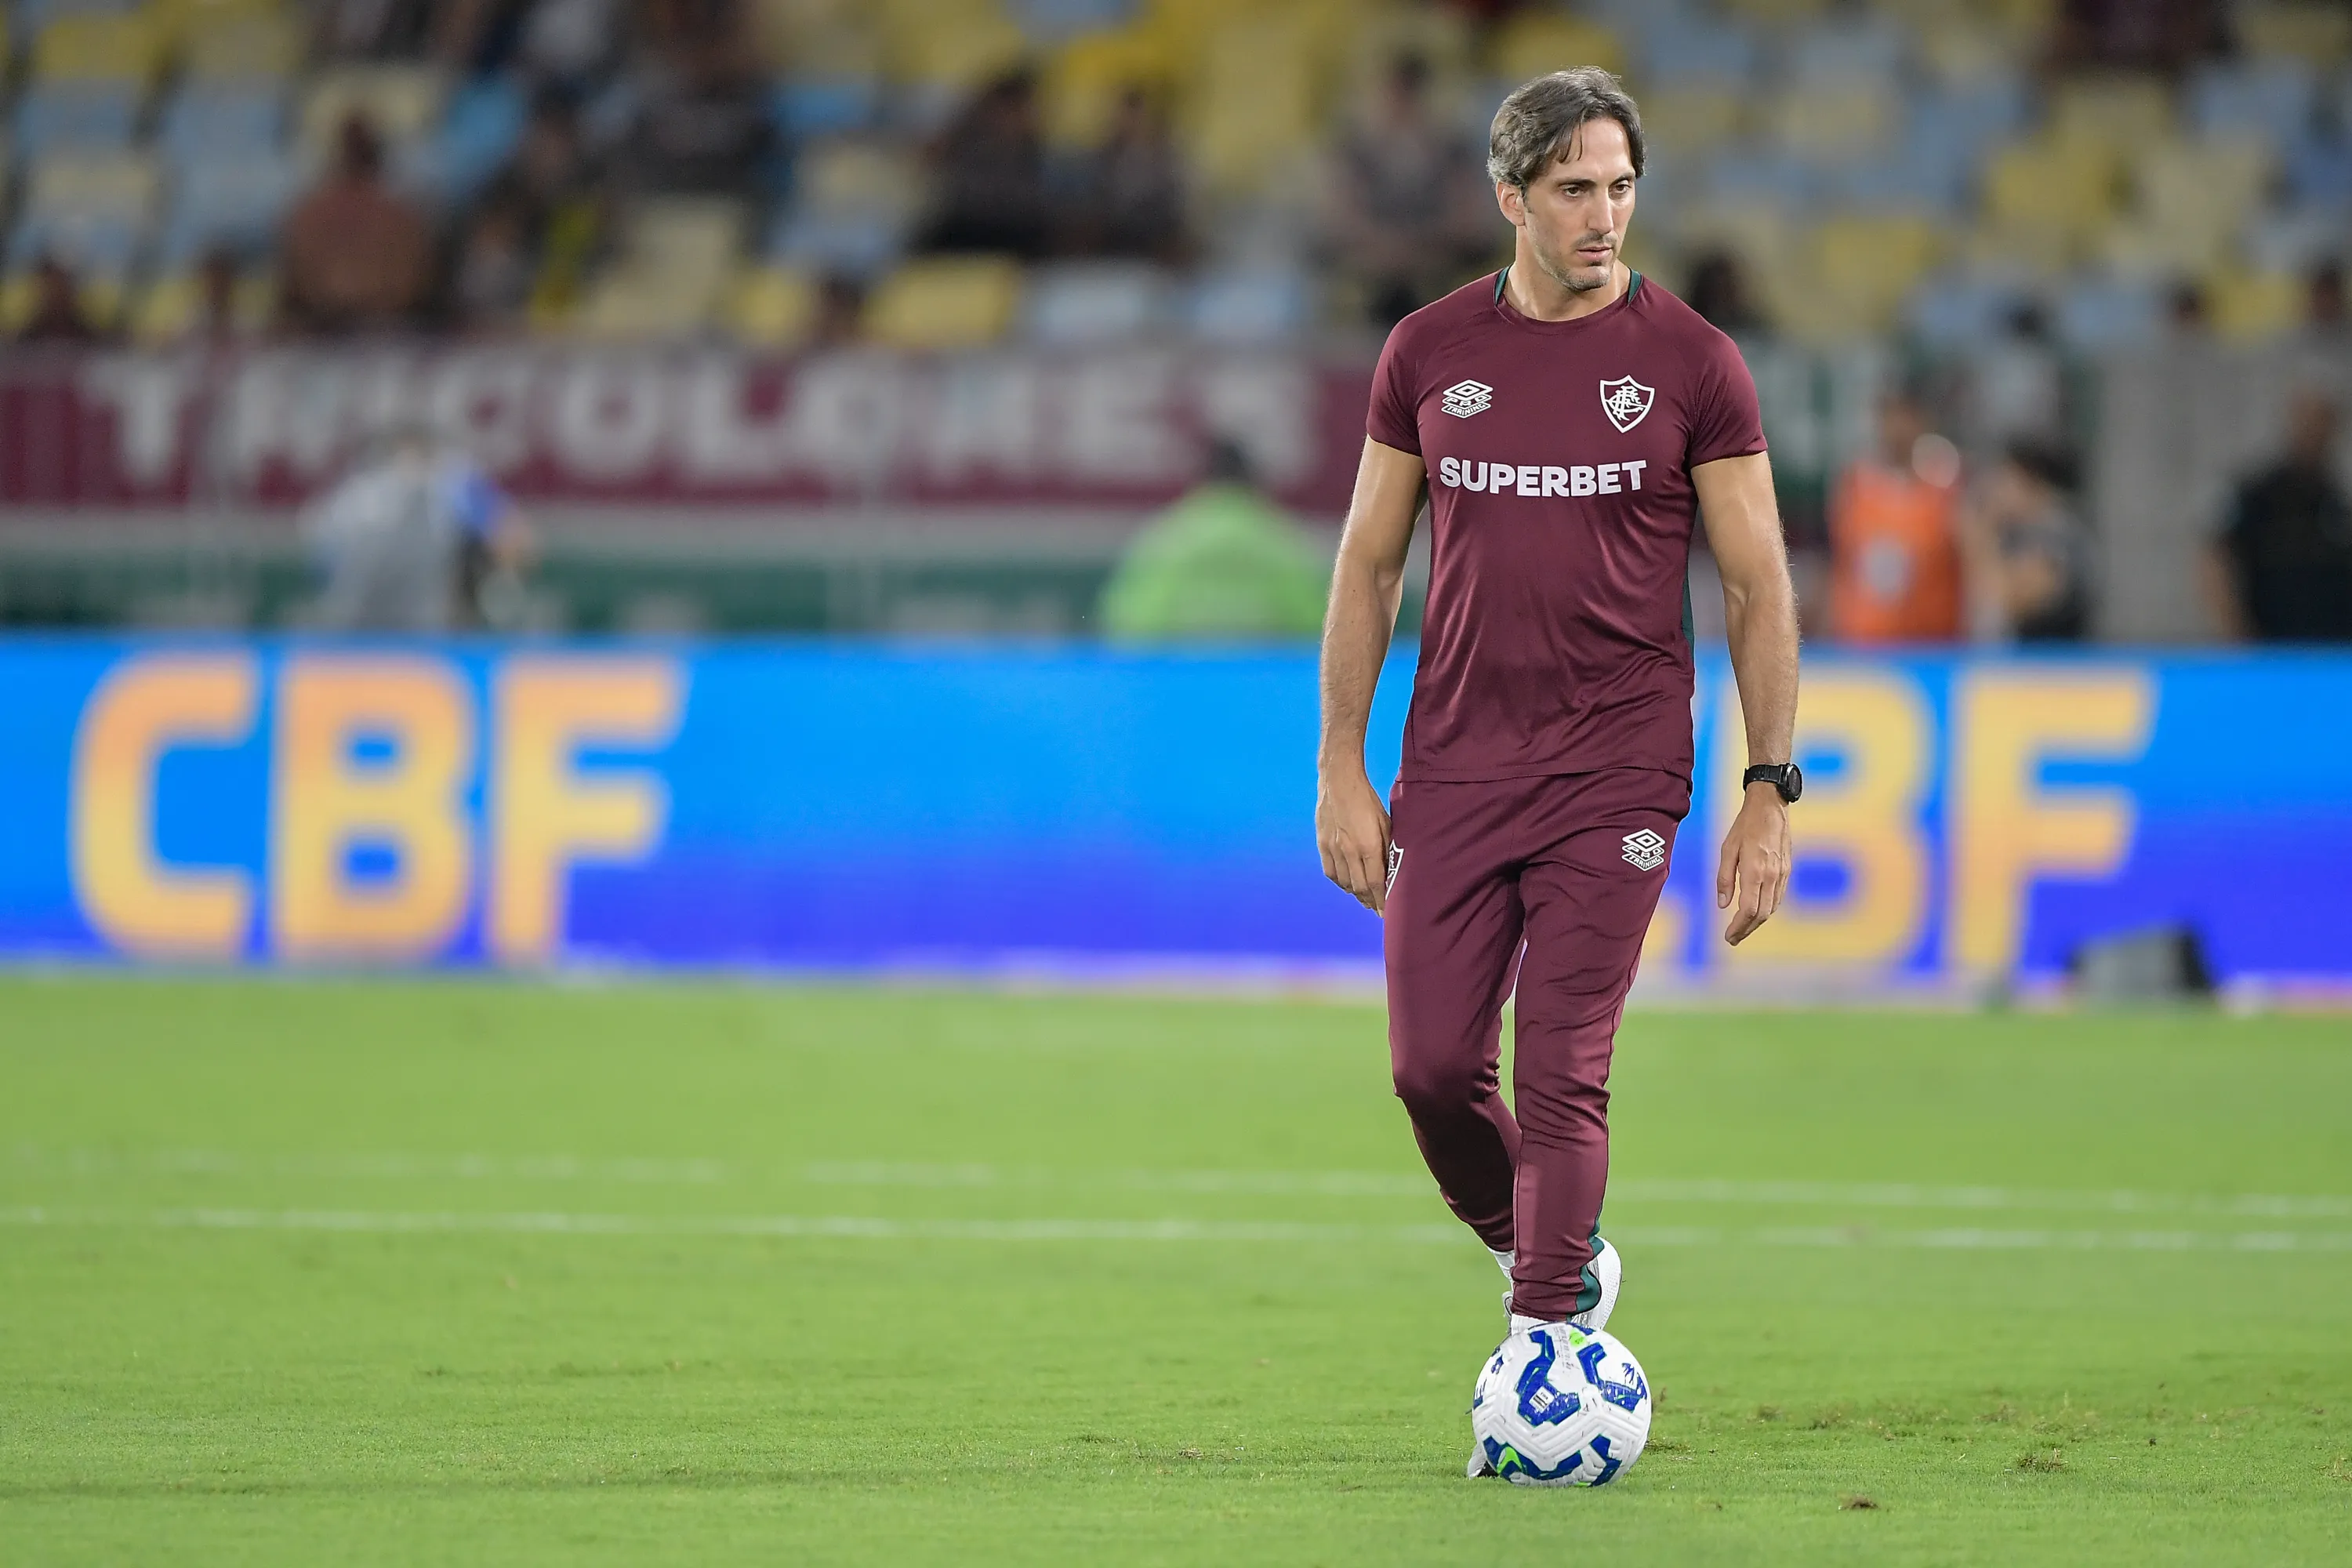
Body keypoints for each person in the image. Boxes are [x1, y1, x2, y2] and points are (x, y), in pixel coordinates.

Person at [1314, 67, 1798, 1452]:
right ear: (1512, 195)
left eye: (1623, 188)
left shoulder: (1695, 363)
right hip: (1456, 768)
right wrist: (1342, 768)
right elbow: (1367, 561)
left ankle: (1545, 1355)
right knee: (1430, 1070)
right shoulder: (1426, 352)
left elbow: (1761, 586)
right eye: (1576, 189)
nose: (1604, 216)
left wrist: (1769, 792)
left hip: (1621, 770)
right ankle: (1564, 1257)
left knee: (1563, 1061)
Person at [1325, 53, 1496, 326]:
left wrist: (1416, 248)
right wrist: (1386, 248)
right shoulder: (1355, 153)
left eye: (1405, 97)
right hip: (1374, 262)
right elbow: (1341, 218)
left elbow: (1471, 221)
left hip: (1436, 262)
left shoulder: (1453, 152)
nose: (1397, 106)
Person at [1097, 440, 1327, 642]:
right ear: (1254, 483)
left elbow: (1128, 625)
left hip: (1178, 682)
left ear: (1201, 482)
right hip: (1261, 683)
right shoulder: (1281, 541)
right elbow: (1316, 627)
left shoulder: (1169, 537)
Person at [305, 428, 532, 633]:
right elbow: (513, 538)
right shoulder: (447, 482)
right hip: (395, 633)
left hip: (368, 633)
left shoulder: (359, 488)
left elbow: (512, 537)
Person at [2205, 387, 2352, 642]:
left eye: (2322, 421)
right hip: (2274, 647)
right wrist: (2235, 634)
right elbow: (2214, 558)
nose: (2314, 431)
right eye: (2306, 420)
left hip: (2332, 648)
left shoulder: (2334, 496)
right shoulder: (2260, 493)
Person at [1826, 388, 1965, 643]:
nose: (1898, 428)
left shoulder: (1946, 489)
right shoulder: (1855, 487)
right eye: (1890, 417)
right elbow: (1843, 562)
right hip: (1864, 642)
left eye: (1906, 418)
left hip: (1930, 642)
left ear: (1921, 422)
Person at [279, 114, 433, 334]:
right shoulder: (311, 213)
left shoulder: (401, 215)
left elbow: (414, 281)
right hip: (331, 335)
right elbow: (297, 281)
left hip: (389, 332)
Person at [1960, 440, 2094, 642]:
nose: (1996, 491)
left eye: (2005, 480)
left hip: (2052, 664)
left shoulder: (2057, 533)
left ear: (2028, 480)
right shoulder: (2016, 533)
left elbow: (2008, 602)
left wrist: (1981, 535)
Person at [14, 256, 103, 345]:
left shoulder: (86, 334)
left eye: (60, 286)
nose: (56, 293)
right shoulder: (30, 336)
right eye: (50, 287)